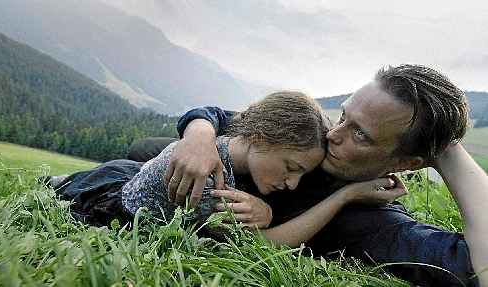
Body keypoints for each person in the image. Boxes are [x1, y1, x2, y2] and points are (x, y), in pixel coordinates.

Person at [130, 65, 487, 286]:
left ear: (407, 162)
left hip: (189, 209)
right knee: (140, 150)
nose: (334, 134)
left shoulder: (376, 220)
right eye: (344, 115)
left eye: (360, 134)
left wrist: (449, 153)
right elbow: (230, 117)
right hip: (162, 171)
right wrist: (198, 135)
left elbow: (477, 269)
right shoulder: (319, 141)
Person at [54, 92, 405, 246]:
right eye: (291, 167)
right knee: (61, 187)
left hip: (124, 183)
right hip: (108, 207)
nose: (293, 183)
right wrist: (344, 197)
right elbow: (263, 246)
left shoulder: (231, 150)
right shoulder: (209, 177)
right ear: (261, 135)